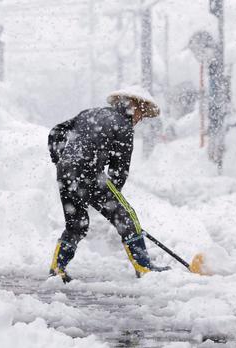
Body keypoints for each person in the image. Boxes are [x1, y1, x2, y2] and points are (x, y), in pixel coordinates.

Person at [47, 86, 170, 283]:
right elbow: (119, 171)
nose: (140, 119)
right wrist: (112, 203)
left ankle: (57, 267)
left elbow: (56, 131)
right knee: (127, 216)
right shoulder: (123, 126)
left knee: (76, 224)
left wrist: (60, 160)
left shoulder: (89, 113)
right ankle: (144, 267)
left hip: (65, 173)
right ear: (134, 106)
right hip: (90, 174)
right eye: (141, 114)